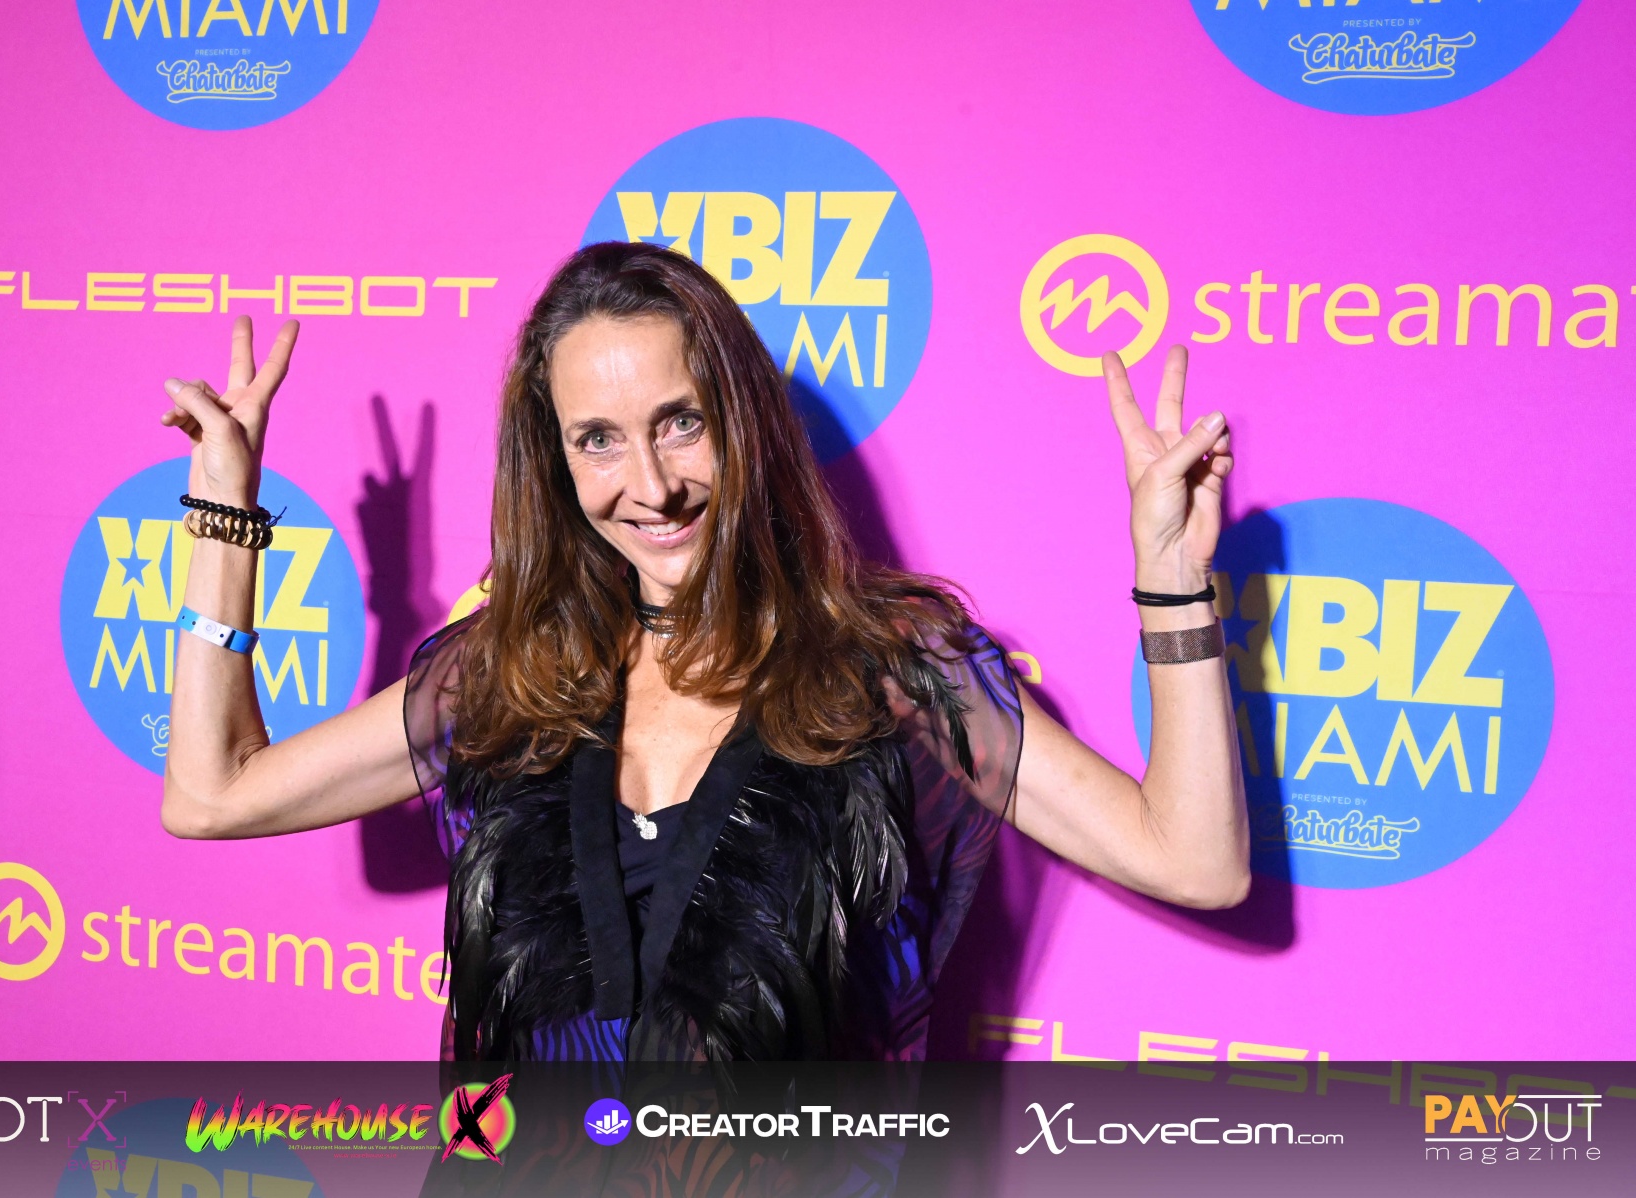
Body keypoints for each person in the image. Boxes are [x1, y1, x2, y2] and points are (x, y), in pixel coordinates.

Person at [157, 241, 1247, 1063]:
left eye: (681, 422)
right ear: (557, 464)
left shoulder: (890, 666)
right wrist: (224, 513)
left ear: (744, 420)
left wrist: (1171, 577)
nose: (652, 485)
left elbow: (1193, 860)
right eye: (598, 440)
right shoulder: (513, 674)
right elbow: (212, 794)